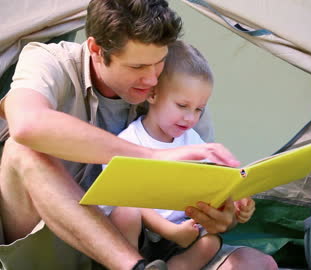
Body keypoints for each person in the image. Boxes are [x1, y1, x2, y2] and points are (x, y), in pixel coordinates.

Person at [0, 0, 277, 269]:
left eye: (159, 63)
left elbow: (206, 192)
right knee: (21, 148)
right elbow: (26, 123)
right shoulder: (50, 60)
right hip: (54, 239)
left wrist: (221, 217)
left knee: (257, 264)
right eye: (137, 68)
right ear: (96, 49)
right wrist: (154, 156)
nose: (153, 79)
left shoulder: (171, 82)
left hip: (152, 242)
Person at [102, 40, 255, 270]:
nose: (191, 118)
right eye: (182, 105)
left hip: (182, 231)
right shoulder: (129, 141)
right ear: (152, 94)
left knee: (210, 242)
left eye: (198, 109)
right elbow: (125, 198)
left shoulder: (193, 140)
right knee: (125, 213)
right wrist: (168, 230)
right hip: (141, 235)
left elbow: (214, 181)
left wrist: (238, 201)